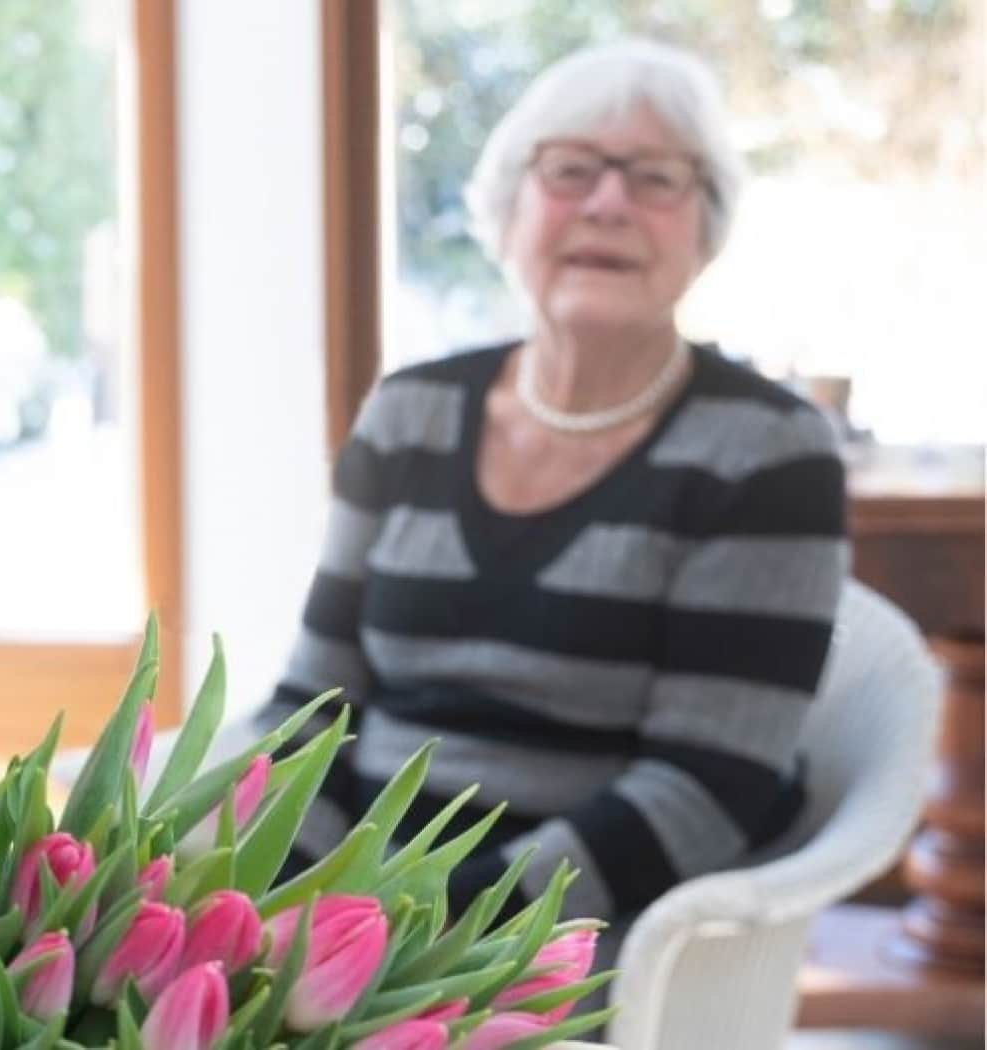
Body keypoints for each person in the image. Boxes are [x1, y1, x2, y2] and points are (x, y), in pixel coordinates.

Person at [259, 39, 847, 933]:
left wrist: (414, 927)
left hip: (569, 931)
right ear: (508, 209)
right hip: (349, 915)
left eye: (656, 178)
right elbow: (315, 704)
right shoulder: (411, 411)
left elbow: (706, 788)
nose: (608, 204)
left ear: (705, 230)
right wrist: (264, 894)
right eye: (570, 171)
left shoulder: (766, 453)